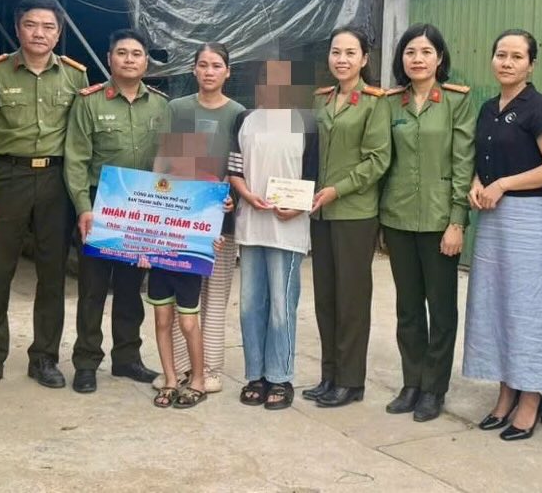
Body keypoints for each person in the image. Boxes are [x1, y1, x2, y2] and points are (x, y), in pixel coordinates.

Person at [0, 0, 88, 393]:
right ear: (18, 28)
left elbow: (83, 139)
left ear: (59, 33)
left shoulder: (75, 76)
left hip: (56, 182)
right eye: (31, 25)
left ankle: (45, 358)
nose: (39, 33)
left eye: (48, 27)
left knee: (52, 275)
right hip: (7, 178)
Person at [462, 29, 542, 441]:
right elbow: (481, 159)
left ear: (531, 64)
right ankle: (505, 391)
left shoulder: (540, 108)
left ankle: (531, 398)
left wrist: (503, 184)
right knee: (495, 302)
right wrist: (476, 181)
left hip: (528, 217)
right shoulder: (488, 108)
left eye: (516, 56)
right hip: (491, 216)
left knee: (529, 307)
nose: (507, 62)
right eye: (501, 54)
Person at [65, 29, 170, 394]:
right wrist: (83, 208)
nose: (129, 59)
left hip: (142, 208)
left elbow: (170, 163)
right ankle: (86, 362)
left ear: (146, 62)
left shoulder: (160, 105)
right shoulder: (90, 102)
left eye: (136, 54)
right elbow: (76, 161)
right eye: (122, 53)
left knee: (130, 288)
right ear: (109, 58)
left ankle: (127, 359)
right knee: (93, 289)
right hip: (100, 205)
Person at [380, 24, 475, 422]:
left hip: (440, 221)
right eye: (410, 52)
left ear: (439, 58)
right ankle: (412, 382)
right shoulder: (389, 103)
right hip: (398, 217)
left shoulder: (456, 101)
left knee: (441, 308)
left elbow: (463, 162)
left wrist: (457, 221)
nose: (417, 59)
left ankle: (434, 388)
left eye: (425, 51)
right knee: (407, 308)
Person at [304, 27, 392, 408]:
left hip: (354, 212)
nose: (342, 59)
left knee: (351, 299)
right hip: (319, 213)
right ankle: (329, 374)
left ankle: (351, 380)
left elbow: (378, 160)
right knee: (325, 296)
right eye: (336, 52)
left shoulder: (375, 103)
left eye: (350, 53)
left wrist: (337, 189)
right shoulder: (321, 101)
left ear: (364, 59)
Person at [152, 43, 245, 394]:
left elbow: (241, 166)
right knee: (179, 298)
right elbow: (164, 161)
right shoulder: (177, 109)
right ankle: (175, 368)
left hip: (219, 220)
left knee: (214, 297)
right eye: (203, 65)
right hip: (176, 220)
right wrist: (158, 204)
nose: (209, 71)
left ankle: (209, 369)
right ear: (193, 70)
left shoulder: (239, 113)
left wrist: (232, 198)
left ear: (227, 72)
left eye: (216, 65)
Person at [229, 59, 317, 411]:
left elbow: (314, 174)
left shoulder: (306, 123)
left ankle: (280, 376)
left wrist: (298, 206)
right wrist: (245, 193)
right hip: (251, 226)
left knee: (282, 307)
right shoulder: (245, 120)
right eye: (267, 79)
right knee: (251, 305)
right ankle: (255, 375)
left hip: (288, 229)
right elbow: (233, 167)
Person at [147, 131, 227, 409]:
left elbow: (213, 228)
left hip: (188, 264)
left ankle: (197, 381)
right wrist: (141, 249)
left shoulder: (209, 184)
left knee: (189, 323)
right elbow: (143, 222)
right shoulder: (157, 185)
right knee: (161, 320)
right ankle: (170, 379)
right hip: (159, 262)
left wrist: (215, 240)